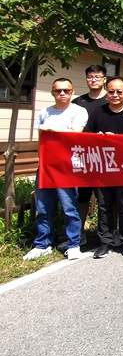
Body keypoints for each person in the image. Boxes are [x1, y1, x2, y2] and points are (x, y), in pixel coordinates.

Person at [23, 78, 88, 261]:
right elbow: (41, 139)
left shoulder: (78, 111)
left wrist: (52, 128)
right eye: (58, 90)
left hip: (67, 167)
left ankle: (73, 244)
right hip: (46, 167)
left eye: (66, 90)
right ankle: (42, 244)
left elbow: (76, 133)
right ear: (53, 93)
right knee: (43, 208)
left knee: (69, 208)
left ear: (72, 92)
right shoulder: (45, 112)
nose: (62, 93)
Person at [85, 76, 123, 259]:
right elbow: (87, 135)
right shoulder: (98, 112)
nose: (115, 95)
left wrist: (117, 138)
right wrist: (99, 137)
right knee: (104, 205)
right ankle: (105, 241)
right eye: (111, 91)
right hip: (103, 166)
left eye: (119, 91)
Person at [71, 64, 108, 245]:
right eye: (90, 77)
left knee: (106, 198)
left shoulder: (112, 99)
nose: (93, 80)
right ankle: (79, 233)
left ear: (104, 79)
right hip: (83, 156)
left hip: (106, 157)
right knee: (82, 196)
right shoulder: (78, 102)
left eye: (97, 76)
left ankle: (108, 234)